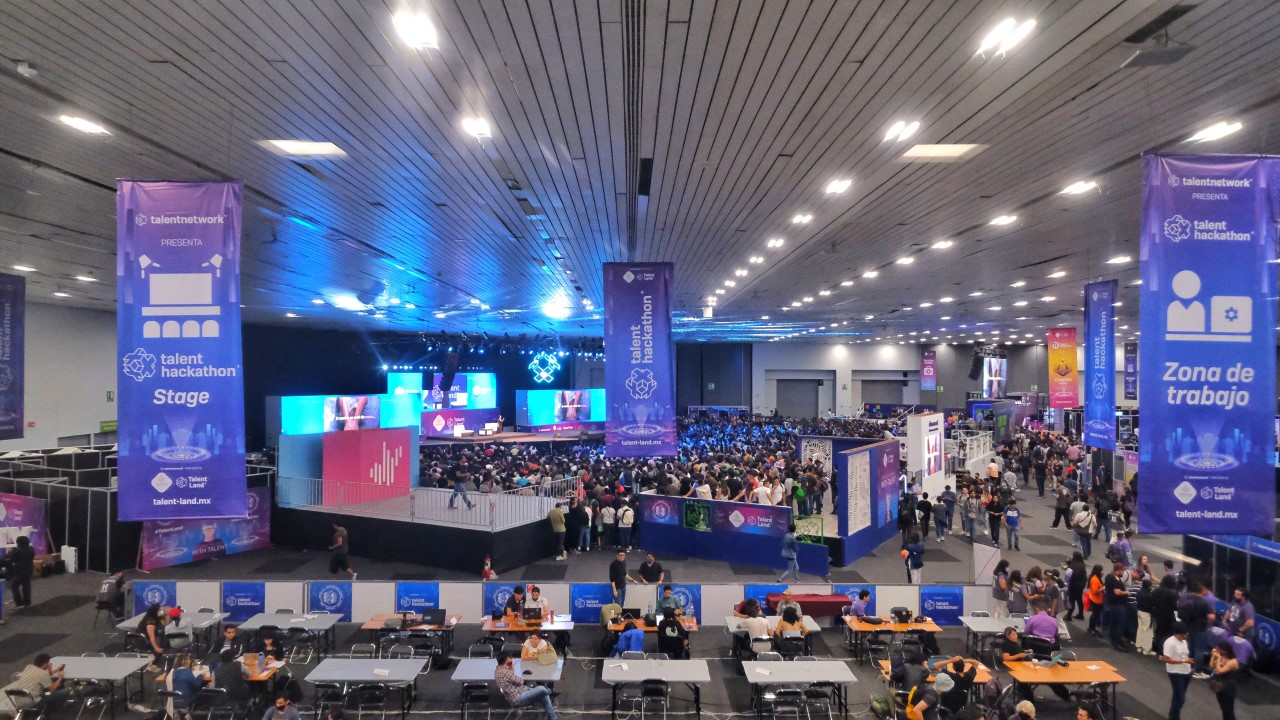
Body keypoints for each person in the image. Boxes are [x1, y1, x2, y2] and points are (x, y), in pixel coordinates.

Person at [494, 652, 560, 720]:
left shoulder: (497, 671)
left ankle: (554, 718)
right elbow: (521, 681)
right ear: (507, 660)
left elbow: (512, 678)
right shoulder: (506, 672)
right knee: (542, 688)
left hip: (516, 695)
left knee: (543, 695)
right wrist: (511, 666)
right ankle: (550, 691)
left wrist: (510, 667)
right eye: (509, 658)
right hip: (519, 698)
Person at [0, 654, 68, 716]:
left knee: (44, 691)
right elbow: (51, 689)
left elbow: (40, 676)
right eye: (49, 663)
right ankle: (51, 712)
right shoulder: (44, 674)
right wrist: (60, 677)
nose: (51, 664)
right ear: (45, 664)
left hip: (19, 703)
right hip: (34, 703)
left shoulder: (29, 667)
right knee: (65, 691)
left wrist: (53, 671)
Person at [1160, 622, 1194, 720]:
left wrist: (1187, 662)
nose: (1186, 635)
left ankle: (1173, 715)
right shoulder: (1170, 643)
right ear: (1177, 633)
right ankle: (1174, 716)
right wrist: (1183, 661)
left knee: (1178, 696)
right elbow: (1167, 659)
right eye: (1184, 634)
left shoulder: (1184, 642)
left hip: (1186, 672)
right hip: (1176, 673)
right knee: (1180, 698)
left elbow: (1184, 655)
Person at [0, 535, 35, 609]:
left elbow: (10, 557)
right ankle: (27, 603)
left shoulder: (18, 551)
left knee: (14, 586)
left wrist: (11, 551)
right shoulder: (31, 549)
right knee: (26, 586)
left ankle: (19, 604)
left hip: (20, 572)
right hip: (29, 570)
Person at [1209, 640, 1240, 720]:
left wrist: (1218, 658)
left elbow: (1220, 671)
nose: (1217, 650)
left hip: (1228, 688)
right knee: (1224, 709)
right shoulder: (1221, 657)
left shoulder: (1233, 661)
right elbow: (1211, 667)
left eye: (1219, 649)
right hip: (1220, 687)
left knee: (1228, 711)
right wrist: (1213, 656)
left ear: (1225, 650)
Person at [1102, 562, 1130, 651]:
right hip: (1117, 605)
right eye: (1123, 571)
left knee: (1113, 623)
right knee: (1120, 624)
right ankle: (1117, 643)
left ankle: (1115, 641)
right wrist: (1127, 592)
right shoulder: (1114, 579)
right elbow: (1117, 592)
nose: (1123, 573)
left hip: (1112, 604)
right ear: (1118, 570)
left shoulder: (1110, 577)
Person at [139, 603, 167, 668]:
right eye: (160, 610)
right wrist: (157, 648)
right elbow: (151, 637)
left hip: (151, 639)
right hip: (145, 641)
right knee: (162, 642)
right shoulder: (150, 622)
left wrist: (164, 616)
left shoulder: (156, 618)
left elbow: (165, 625)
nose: (161, 611)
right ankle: (153, 663)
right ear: (155, 612)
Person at [1086, 565, 1105, 636]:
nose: (1103, 572)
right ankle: (1091, 628)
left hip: (1098, 599)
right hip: (1095, 600)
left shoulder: (1097, 577)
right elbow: (1095, 591)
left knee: (1095, 614)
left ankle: (1092, 627)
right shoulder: (1095, 579)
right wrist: (1103, 588)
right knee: (1095, 614)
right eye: (1102, 570)